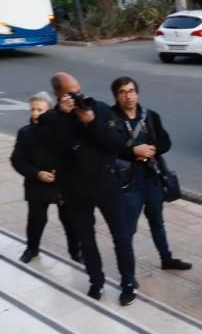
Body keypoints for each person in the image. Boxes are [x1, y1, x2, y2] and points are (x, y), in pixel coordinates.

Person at [43, 72, 138, 305]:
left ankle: (128, 283)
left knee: (122, 236)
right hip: (76, 191)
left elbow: (117, 145)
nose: (76, 95)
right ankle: (96, 282)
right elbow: (53, 152)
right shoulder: (51, 119)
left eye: (77, 89)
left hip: (107, 185)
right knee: (86, 239)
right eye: (70, 92)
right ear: (58, 95)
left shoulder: (100, 109)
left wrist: (92, 122)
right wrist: (64, 117)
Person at [110, 76, 192, 272]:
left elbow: (166, 141)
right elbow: (109, 147)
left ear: (137, 93)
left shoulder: (150, 116)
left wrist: (152, 149)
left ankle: (167, 259)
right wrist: (133, 152)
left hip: (152, 178)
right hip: (128, 183)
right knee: (128, 230)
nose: (128, 96)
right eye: (122, 92)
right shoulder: (112, 120)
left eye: (131, 91)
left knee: (157, 223)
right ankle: (128, 273)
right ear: (116, 96)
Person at [10, 92, 80, 264]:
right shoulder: (25, 132)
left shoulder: (63, 130)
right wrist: (37, 174)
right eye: (32, 109)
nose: (35, 113)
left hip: (63, 184)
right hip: (37, 184)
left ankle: (76, 253)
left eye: (39, 110)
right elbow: (17, 160)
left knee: (70, 221)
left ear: (50, 112)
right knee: (36, 219)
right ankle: (32, 249)